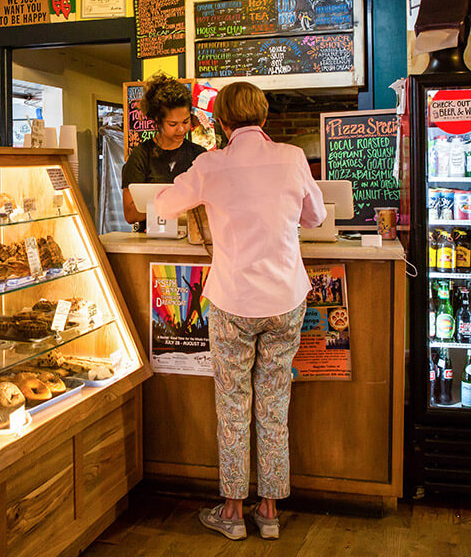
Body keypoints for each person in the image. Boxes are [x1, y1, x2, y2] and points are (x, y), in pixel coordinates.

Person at [154, 81, 325, 541]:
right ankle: (268, 511)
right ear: (264, 119)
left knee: (232, 405)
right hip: (285, 298)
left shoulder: (210, 163)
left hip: (232, 300)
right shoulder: (291, 158)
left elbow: (165, 203)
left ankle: (232, 512)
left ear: (220, 122)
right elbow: (316, 218)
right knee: (273, 403)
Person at [121, 72, 206, 227]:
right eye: (173, 124)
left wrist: (159, 206)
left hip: (191, 243)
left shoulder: (199, 155)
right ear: (157, 121)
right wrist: (180, 205)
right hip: (152, 242)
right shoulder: (141, 155)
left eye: (186, 121)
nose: (181, 129)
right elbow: (130, 213)